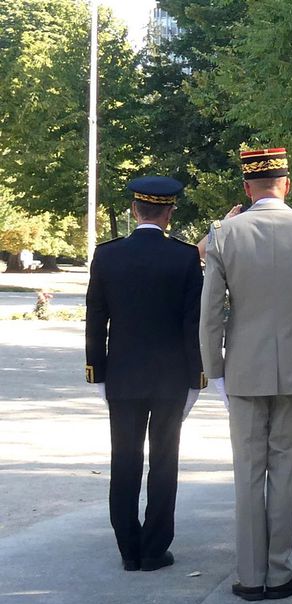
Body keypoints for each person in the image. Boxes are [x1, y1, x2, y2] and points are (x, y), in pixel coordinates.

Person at [200, 148, 292, 601]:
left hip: (242, 368)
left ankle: (248, 575)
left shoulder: (224, 234)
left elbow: (210, 314)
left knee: (247, 471)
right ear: (288, 185)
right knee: (284, 471)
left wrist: (214, 370)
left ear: (247, 188)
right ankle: (278, 573)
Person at [85, 175, 204, 572]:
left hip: (122, 376)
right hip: (170, 379)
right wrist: (196, 379)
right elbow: (194, 325)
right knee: (164, 461)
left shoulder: (107, 255)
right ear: (169, 213)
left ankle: (128, 549)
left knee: (125, 460)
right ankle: (154, 549)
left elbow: (96, 319)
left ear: (134, 210)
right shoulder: (186, 257)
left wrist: (97, 374)